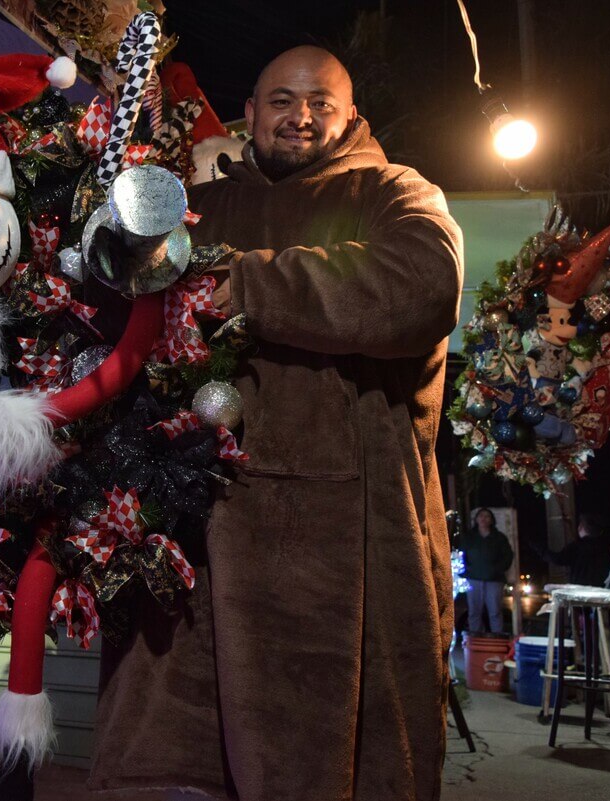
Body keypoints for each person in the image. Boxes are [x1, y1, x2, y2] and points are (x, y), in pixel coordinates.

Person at [88, 47, 463, 801]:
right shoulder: (197, 204)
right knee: (166, 765)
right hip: (191, 543)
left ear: (351, 116)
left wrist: (243, 284)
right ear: (250, 114)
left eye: (321, 102)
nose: (301, 116)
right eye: (283, 101)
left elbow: (422, 286)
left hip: (341, 551)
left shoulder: (396, 191)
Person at [455, 508, 514, 636]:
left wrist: (497, 569)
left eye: (487, 516)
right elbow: (461, 556)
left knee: (495, 611)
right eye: (481, 516)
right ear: (476, 519)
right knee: (474, 611)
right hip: (473, 579)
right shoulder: (469, 538)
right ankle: (476, 638)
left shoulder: (499, 537)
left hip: (494, 580)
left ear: (491, 520)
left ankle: (497, 638)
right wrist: (467, 570)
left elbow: (508, 556)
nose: (483, 519)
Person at [534, 513, 610, 587]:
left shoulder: (578, 546)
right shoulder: (606, 547)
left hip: (579, 591)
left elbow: (558, 559)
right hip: (600, 590)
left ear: (582, 527)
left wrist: (540, 548)